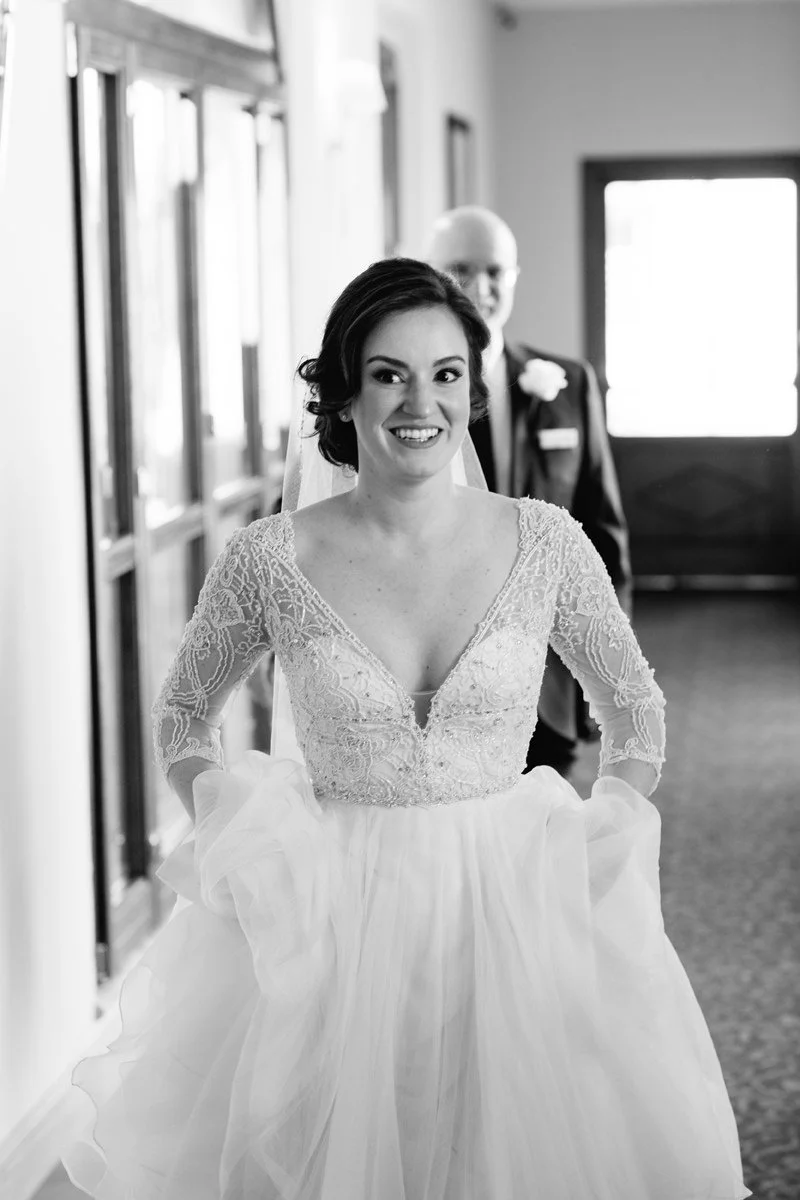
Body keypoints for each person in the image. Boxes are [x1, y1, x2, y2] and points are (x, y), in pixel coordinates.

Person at [64, 258, 748, 1200]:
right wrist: (241, 837)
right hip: (330, 916)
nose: (419, 401)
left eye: (446, 373)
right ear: (343, 393)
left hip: (513, 901)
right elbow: (184, 713)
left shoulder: (546, 540)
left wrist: (608, 828)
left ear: (471, 387)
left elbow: (633, 703)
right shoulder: (271, 558)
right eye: (389, 373)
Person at [428, 206, 631, 778]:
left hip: (547, 690)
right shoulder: (401, 395)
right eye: (460, 268)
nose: (479, 288)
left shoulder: (568, 383)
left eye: (496, 271)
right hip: (434, 694)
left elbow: (602, 536)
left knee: (543, 854)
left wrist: (606, 674)